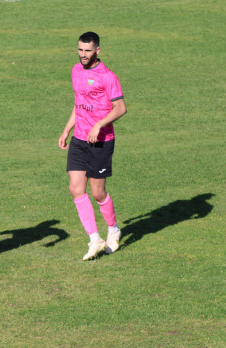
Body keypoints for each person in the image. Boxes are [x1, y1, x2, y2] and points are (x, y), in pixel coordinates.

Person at [58, 31, 127, 260]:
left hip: (101, 142)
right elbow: (79, 104)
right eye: (80, 50)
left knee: (97, 193)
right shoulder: (76, 71)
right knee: (76, 188)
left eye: (88, 50)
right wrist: (67, 129)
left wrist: (99, 125)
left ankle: (114, 229)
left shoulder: (108, 76)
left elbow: (120, 108)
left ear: (98, 50)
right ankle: (94, 239)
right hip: (79, 139)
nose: (83, 54)